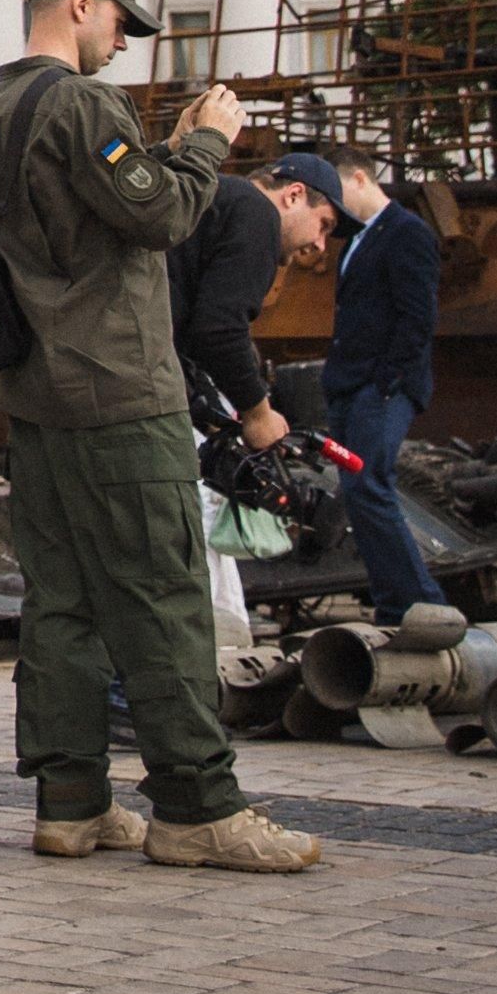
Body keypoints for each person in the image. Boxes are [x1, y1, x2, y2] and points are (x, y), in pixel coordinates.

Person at [0, 0, 322, 875]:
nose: (123, 41)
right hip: (120, 388)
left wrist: (159, 160)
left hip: (37, 395)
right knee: (163, 593)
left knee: (65, 601)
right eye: (120, 21)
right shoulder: (80, 104)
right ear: (80, 4)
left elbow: (85, 221)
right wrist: (206, 142)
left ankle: (72, 801)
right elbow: (158, 219)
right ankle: (199, 806)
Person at [167, 163, 338, 650]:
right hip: (153, 389)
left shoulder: (212, 198)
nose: (320, 245)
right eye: (322, 224)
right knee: (186, 527)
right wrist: (257, 413)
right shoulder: (255, 212)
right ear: (294, 194)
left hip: (140, 373)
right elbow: (220, 329)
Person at [280, 148, 447, 622]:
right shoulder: (358, 239)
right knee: (356, 491)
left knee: (368, 483)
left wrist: (388, 381)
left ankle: (420, 604)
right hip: (353, 387)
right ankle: (395, 602)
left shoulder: (407, 233)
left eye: (337, 190)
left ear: (359, 178)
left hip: (381, 387)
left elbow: (418, 316)